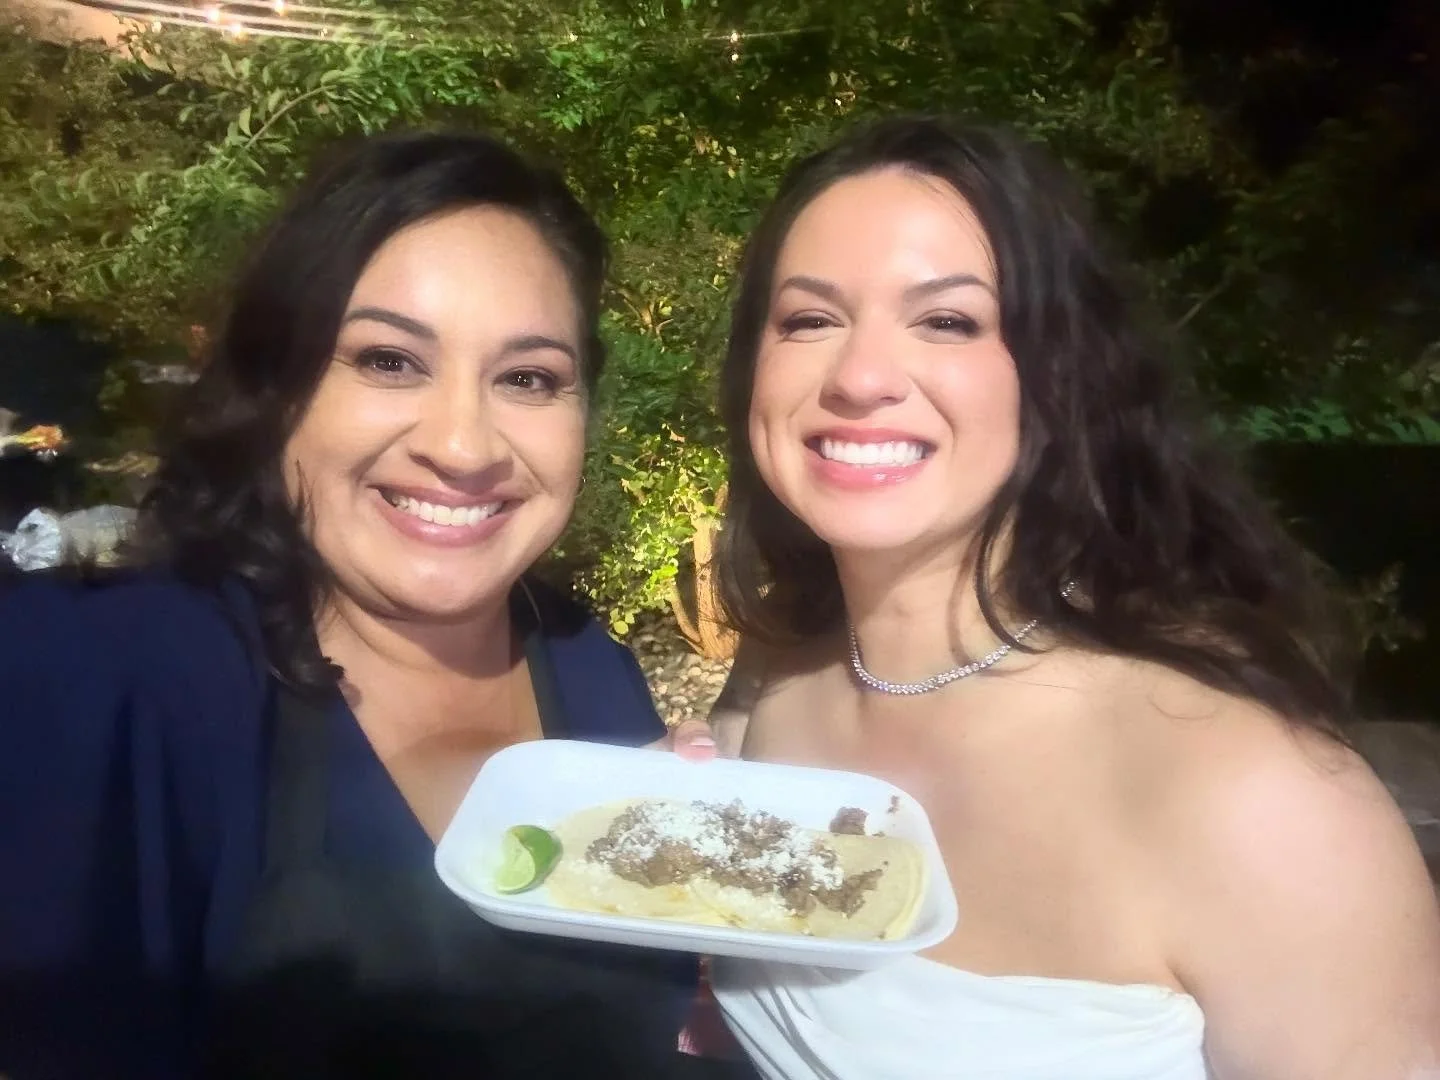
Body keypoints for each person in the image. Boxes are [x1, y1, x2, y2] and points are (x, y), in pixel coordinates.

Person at [704, 114, 1440, 1080]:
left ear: (1058, 374)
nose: (861, 377)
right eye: (809, 320)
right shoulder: (777, 672)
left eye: (948, 321)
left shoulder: (1254, 793)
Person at [0, 130, 719, 1079]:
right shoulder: (120, 679)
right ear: (279, 387)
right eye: (389, 360)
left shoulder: (591, 666)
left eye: (527, 378)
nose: (463, 446)